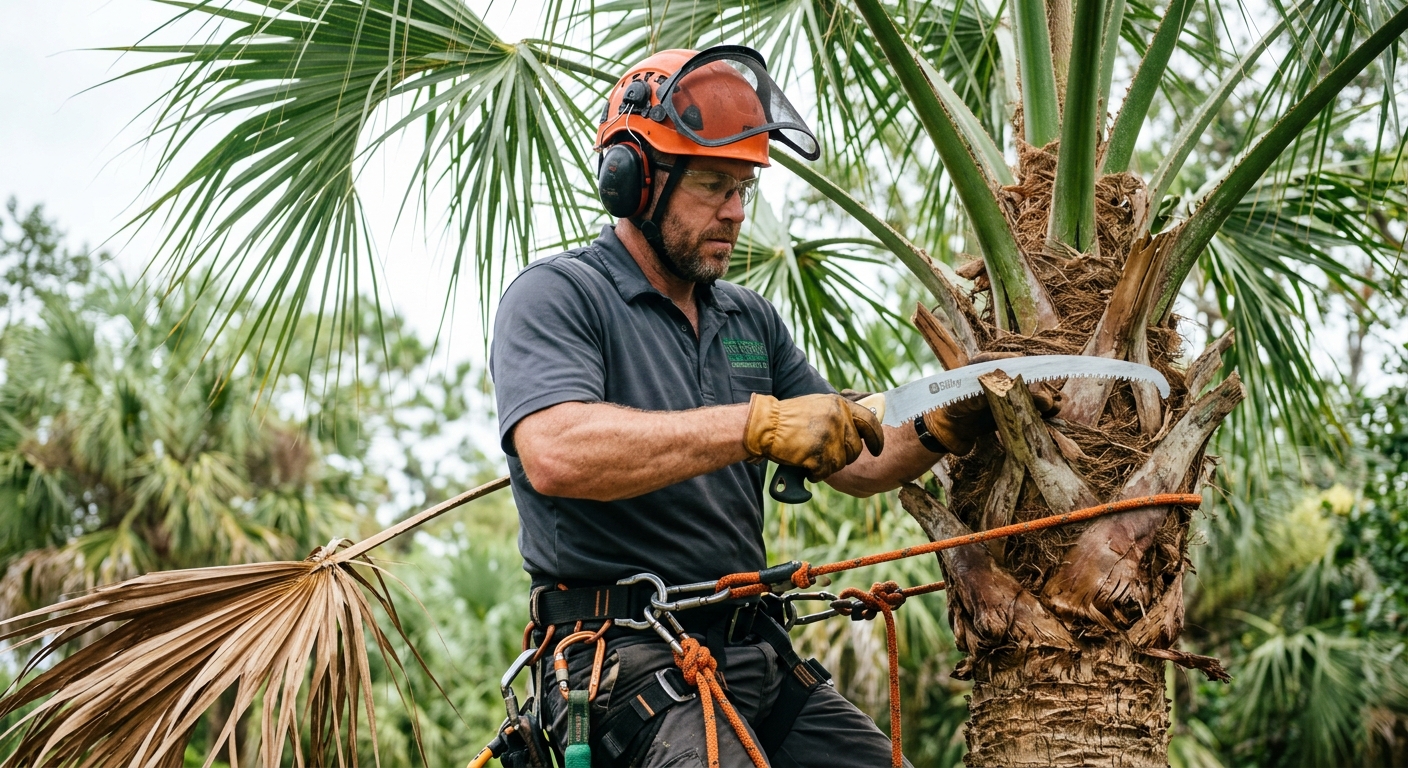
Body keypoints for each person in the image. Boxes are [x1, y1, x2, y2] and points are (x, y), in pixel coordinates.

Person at [490, 45, 1041, 768]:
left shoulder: (748, 319)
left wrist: (942, 424)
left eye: (744, 188)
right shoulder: (560, 297)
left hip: (755, 651)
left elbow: (860, 461)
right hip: (623, 662)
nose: (736, 212)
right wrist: (758, 424)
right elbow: (557, 453)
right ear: (632, 182)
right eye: (714, 187)